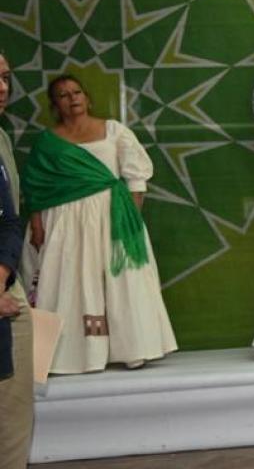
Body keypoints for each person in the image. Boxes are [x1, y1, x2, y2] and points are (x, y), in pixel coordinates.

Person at [21, 74, 177, 373]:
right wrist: (38, 226)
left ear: (87, 97)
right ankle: (68, 356)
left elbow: (136, 177)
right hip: (64, 224)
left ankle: (133, 349)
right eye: (63, 95)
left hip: (111, 218)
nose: (72, 98)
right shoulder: (47, 142)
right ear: (55, 105)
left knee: (121, 282)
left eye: (77, 92)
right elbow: (35, 187)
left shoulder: (114, 131)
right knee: (66, 279)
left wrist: (129, 218)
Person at [0, 52, 33, 468]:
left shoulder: (2, 138)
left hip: (7, 286)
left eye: (5, 77)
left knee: (13, 416)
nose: (2, 86)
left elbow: (9, 217)